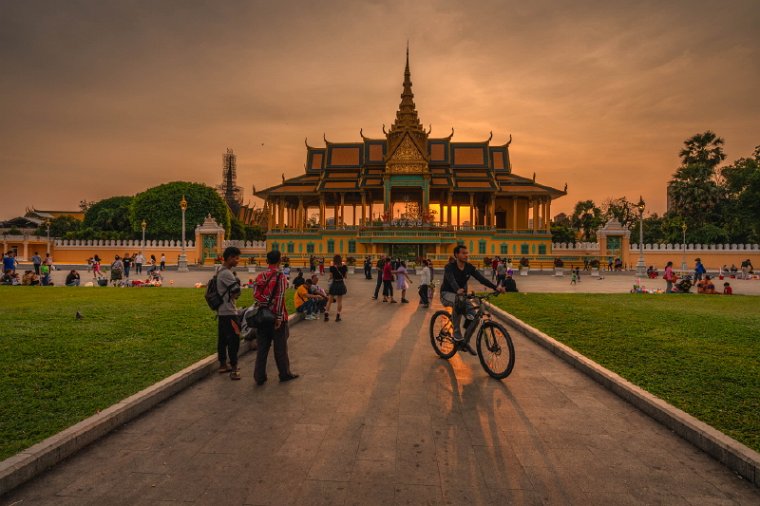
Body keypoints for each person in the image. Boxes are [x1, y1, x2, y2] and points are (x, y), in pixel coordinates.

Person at [440, 245, 504, 353]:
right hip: (447, 294)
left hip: (462, 296)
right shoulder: (449, 267)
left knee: (475, 317)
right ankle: (457, 335)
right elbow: (451, 280)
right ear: (456, 255)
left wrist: (495, 287)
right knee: (458, 302)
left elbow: (481, 279)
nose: (466, 255)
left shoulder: (469, 267)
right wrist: (457, 290)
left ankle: (464, 342)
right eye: (463, 253)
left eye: (467, 253)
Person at [253, 249, 298, 385]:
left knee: (262, 348)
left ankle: (259, 376)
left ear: (267, 261)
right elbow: (279, 298)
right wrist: (278, 317)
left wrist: (265, 302)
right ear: (279, 261)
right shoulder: (281, 277)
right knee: (280, 348)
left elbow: (255, 295)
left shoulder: (260, 276)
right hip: (277, 318)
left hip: (262, 316)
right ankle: (284, 373)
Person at [216, 246, 243, 380]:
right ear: (230, 257)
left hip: (221, 312)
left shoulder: (219, 270)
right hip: (229, 312)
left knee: (222, 339)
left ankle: (222, 365)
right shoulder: (227, 273)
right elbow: (237, 292)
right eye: (236, 258)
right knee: (234, 340)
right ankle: (234, 368)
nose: (238, 261)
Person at [325, 254, 348, 321]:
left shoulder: (332, 267)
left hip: (334, 283)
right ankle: (338, 315)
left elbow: (331, 276)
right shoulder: (344, 266)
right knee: (339, 301)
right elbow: (345, 277)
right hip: (340, 283)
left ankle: (326, 314)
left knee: (329, 300)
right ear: (341, 259)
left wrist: (329, 278)